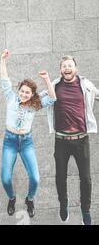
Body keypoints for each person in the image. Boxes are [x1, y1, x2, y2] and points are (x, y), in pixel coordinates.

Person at [0, 49, 56, 218]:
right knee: (5, 179)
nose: (24, 94)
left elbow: (53, 98)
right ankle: (11, 198)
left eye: (27, 92)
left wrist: (46, 79)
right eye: (22, 91)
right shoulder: (10, 97)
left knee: (35, 178)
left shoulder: (34, 105)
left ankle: (30, 199)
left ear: (31, 95)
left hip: (26, 142)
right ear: (19, 90)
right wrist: (3, 60)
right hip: (9, 141)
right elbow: (4, 78)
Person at [47, 55, 99, 225]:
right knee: (60, 177)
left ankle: (86, 209)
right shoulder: (54, 85)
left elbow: (98, 94)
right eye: (64, 66)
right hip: (61, 140)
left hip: (81, 139)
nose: (67, 68)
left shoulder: (85, 84)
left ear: (75, 68)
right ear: (61, 70)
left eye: (70, 65)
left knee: (86, 178)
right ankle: (64, 203)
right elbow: (38, 100)